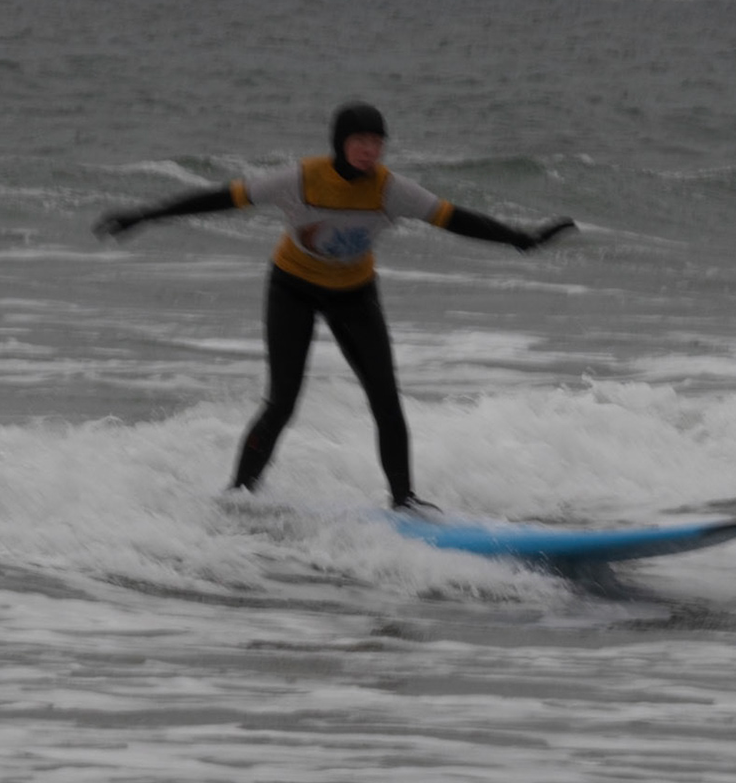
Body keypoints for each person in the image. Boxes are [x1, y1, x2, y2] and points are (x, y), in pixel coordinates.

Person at [94, 102, 575, 511]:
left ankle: (404, 501)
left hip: (354, 294)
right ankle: (239, 495)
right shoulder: (299, 180)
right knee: (282, 401)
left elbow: (453, 218)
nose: (370, 150)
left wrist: (520, 238)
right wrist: (146, 215)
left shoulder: (390, 190)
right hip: (292, 289)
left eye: (377, 142)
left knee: (385, 399)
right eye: (360, 141)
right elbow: (223, 198)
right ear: (340, 143)